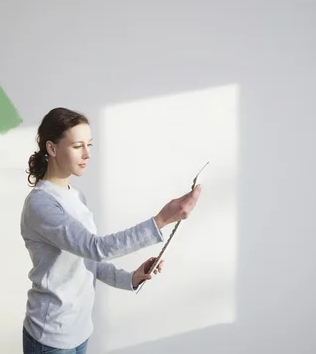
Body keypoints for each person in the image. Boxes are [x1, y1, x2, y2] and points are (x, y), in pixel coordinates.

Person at [20, 107, 203, 353]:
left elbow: (87, 260)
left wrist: (130, 278)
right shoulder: (41, 203)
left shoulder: (76, 196)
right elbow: (96, 248)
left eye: (89, 145)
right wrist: (161, 220)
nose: (87, 154)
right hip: (50, 336)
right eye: (77, 146)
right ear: (52, 149)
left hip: (79, 330)